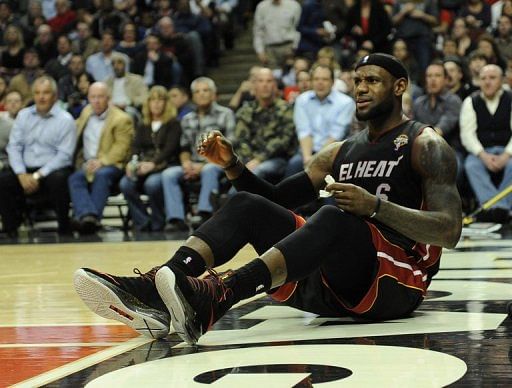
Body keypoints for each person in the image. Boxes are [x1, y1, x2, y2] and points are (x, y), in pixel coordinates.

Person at [73, 53, 462, 342]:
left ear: (398, 87)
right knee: (248, 204)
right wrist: (234, 167)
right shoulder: (340, 150)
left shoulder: (424, 144)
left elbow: (449, 231)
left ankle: (221, 295)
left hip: (395, 283)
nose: (361, 88)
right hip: (331, 283)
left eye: (372, 81)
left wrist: (375, 207)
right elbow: (276, 199)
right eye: (357, 80)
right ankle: (157, 290)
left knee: (335, 216)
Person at [1, 76, 76, 236]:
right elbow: (14, 147)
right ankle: (10, 231)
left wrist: (37, 176)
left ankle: (64, 228)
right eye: (37, 93)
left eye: (46, 93)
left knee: (59, 179)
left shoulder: (65, 119)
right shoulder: (23, 116)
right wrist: (21, 174)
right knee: (4, 179)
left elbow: (64, 155)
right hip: (25, 170)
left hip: (51, 170)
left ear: (55, 96)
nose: (41, 97)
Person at [161, 77, 235, 231]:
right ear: (193, 96)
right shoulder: (187, 119)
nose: (201, 94)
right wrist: (186, 163)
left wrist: (203, 165)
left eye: (205, 90)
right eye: (197, 91)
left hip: (219, 163)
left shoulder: (225, 114)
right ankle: (176, 219)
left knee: (209, 170)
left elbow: (229, 146)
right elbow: (184, 147)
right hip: (193, 163)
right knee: (168, 174)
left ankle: (204, 213)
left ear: (214, 94)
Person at [68, 82, 134, 234]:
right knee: (74, 178)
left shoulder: (121, 118)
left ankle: (91, 219)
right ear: (88, 98)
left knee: (101, 175)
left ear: (108, 99)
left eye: (100, 97)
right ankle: (88, 216)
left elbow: (121, 148)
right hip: (86, 164)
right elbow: (75, 127)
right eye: (93, 97)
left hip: (112, 165)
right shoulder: (86, 112)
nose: (96, 101)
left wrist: (102, 162)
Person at [119, 86, 181, 232]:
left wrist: (153, 163)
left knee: (152, 185)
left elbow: (170, 149)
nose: (156, 103)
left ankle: (158, 221)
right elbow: (135, 147)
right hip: (143, 165)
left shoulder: (173, 123)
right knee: (125, 184)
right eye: (153, 99)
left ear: (166, 103)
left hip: (165, 166)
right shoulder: (143, 124)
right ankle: (142, 222)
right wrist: (132, 163)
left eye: (160, 99)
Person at [460, 64, 512, 223]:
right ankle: (500, 209)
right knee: (471, 165)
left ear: (502, 80)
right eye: (483, 78)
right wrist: (482, 155)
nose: (487, 82)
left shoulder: (510, 98)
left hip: (507, 150)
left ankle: (497, 208)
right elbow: (467, 134)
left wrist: (506, 155)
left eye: (492, 78)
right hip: (482, 152)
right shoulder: (471, 101)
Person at [286, 64, 356, 177]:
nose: (320, 83)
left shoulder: (346, 102)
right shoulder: (302, 100)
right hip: (306, 152)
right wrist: (308, 158)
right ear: (311, 81)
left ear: (333, 82)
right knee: (294, 165)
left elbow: (336, 135)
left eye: (325, 79)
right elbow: (304, 131)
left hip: (334, 153)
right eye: (316, 79)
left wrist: (315, 161)